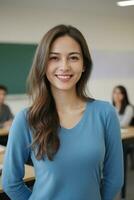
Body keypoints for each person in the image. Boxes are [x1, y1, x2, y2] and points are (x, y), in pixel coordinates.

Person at [2, 24, 124, 200]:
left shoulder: (105, 113)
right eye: (54, 58)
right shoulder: (27, 119)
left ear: (84, 65)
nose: (64, 66)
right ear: (43, 64)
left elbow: (115, 179)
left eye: (73, 58)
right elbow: (11, 183)